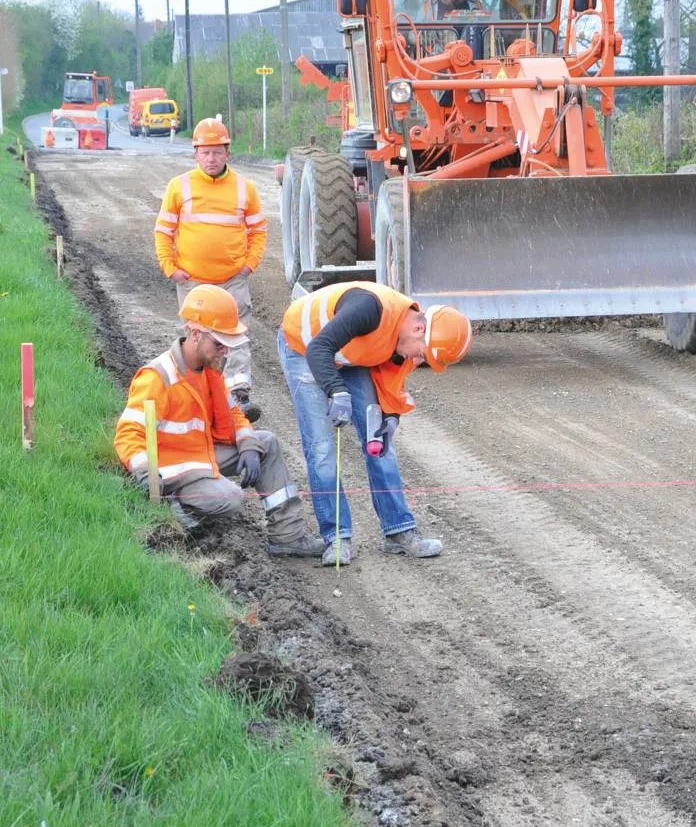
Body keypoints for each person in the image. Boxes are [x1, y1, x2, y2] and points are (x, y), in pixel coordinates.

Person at [114, 284, 324, 557]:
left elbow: (233, 414)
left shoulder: (209, 371)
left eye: (227, 344)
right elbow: (128, 433)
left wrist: (247, 443)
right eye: (219, 343)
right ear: (195, 333)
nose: (225, 351)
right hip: (172, 472)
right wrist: (146, 474)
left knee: (266, 443)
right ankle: (174, 509)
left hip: (202, 456)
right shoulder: (158, 377)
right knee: (230, 498)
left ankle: (288, 537)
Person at [277, 281, 473, 567]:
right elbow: (319, 349)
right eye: (423, 354)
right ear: (419, 330)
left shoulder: (404, 337)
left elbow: (390, 384)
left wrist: (390, 418)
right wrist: (336, 391)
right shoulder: (368, 308)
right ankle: (337, 537)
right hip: (304, 348)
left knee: (380, 443)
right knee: (321, 448)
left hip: (351, 355)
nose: (418, 361)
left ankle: (398, 531)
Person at [154, 117, 266, 423]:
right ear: (195, 154)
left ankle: (238, 398)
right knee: (195, 339)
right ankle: (192, 397)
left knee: (236, 336)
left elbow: (258, 231)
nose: (211, 158)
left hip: (232, 280)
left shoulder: (246, 188)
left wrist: (248, 266)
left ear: (228, 152)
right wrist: (171, 269)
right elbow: (163, 231)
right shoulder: (179, 187)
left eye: (217, 152)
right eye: (205, 152)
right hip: (192, 281)